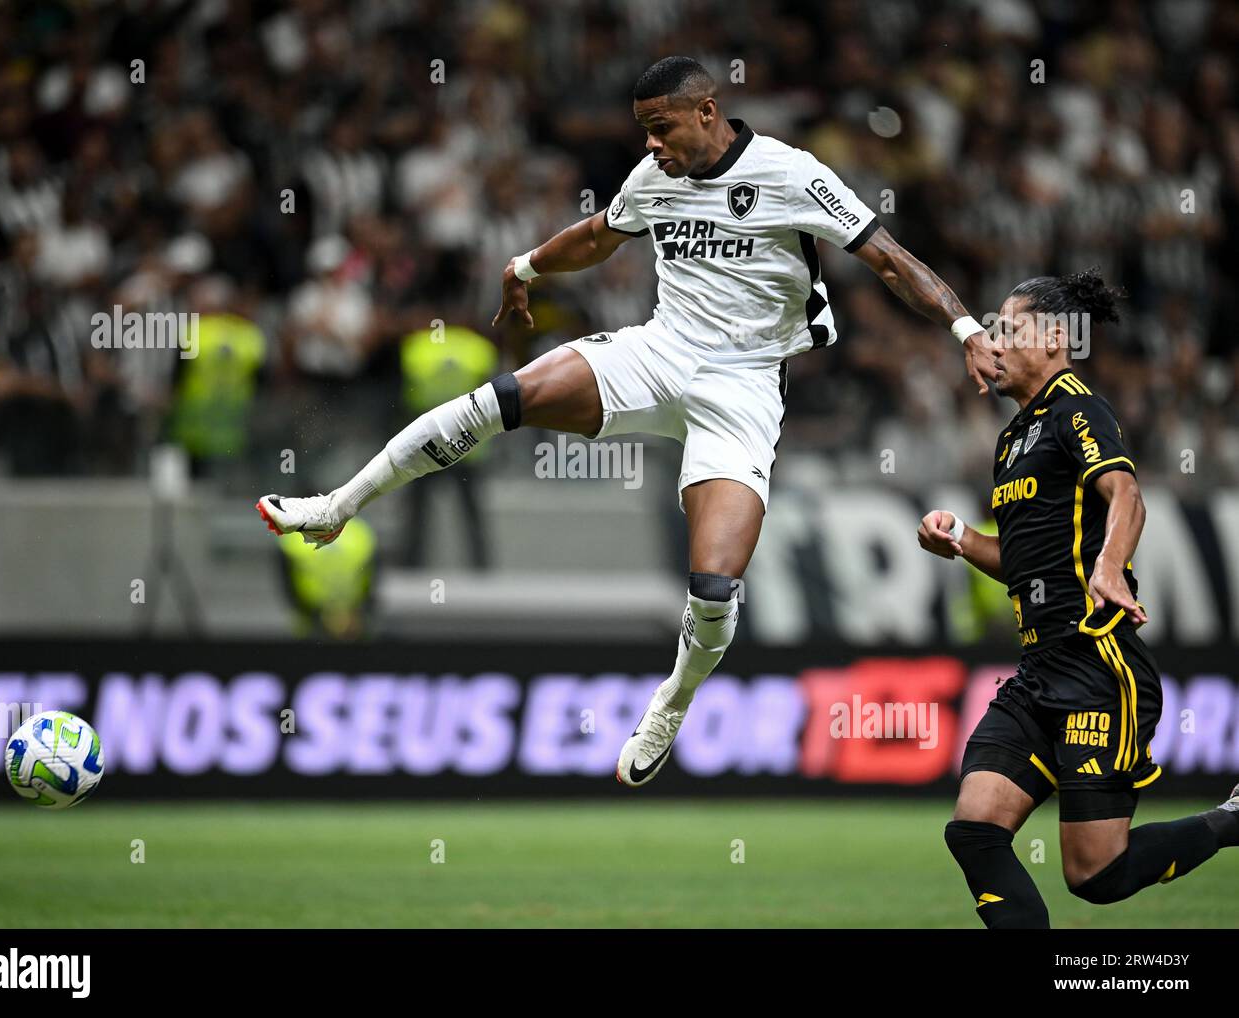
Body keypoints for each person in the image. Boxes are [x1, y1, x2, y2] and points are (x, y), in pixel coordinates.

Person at [258, 56, 997, 786]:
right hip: (659, 351)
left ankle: (672, 702)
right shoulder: (655, 179)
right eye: (643, 130)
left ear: (706, 113)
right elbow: (598, 235)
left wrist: (967, 331)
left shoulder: (790, 173)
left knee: (712, 589)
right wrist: (525, 268)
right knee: (499, 400)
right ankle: (335, 507)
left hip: (742, 390)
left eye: (660, 127)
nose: (650, 144)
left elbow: (892, 261)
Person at [917, 269, 1238, 928]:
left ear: (1055, 337)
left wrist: (1111, 566)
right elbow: (1021, 564)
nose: (993, 342)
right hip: (1037, 673)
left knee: (1096, 874)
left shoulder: (1076, 408)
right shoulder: (1011, 440)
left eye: (1008, 328)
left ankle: (1230, 821)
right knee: (973, 828)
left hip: (1097, 667)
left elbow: (1126, 493)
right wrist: (961, 541)